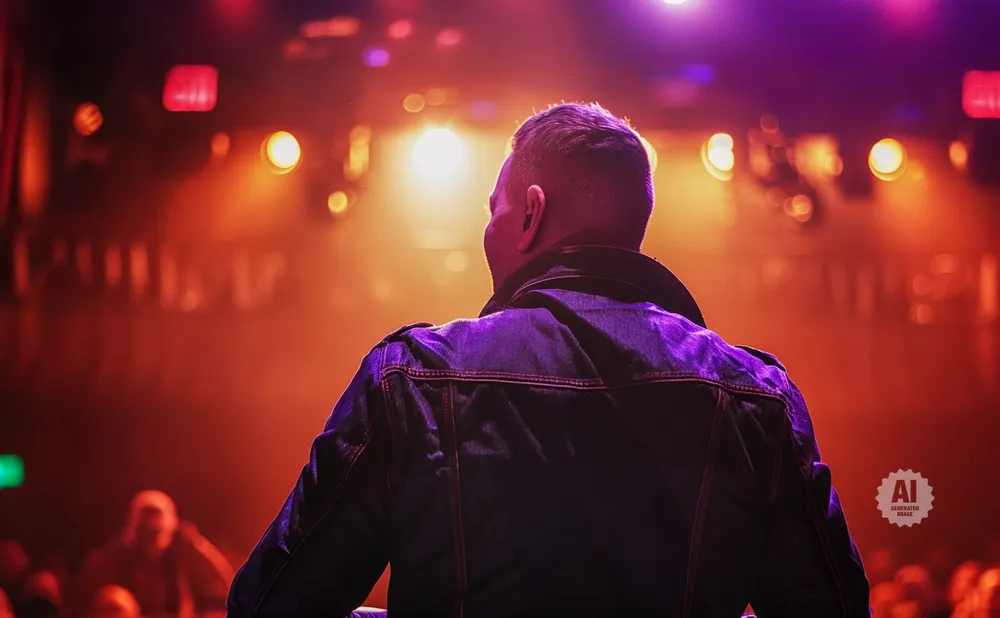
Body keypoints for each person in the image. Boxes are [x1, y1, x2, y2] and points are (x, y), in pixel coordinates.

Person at [227, 102, 870, 617]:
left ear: (531, 214)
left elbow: (270, 605)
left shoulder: (411, 379)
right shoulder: (754, 397)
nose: (489, 230)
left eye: (495, 211)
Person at [73, 490, 234, 617]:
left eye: (155, 532)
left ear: (169, 529)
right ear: (133, 530)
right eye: (144, 531)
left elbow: (224, 582)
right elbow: (83, 593)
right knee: (113, 600)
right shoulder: (115, 557)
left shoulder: (185, 548)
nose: (149, 539)